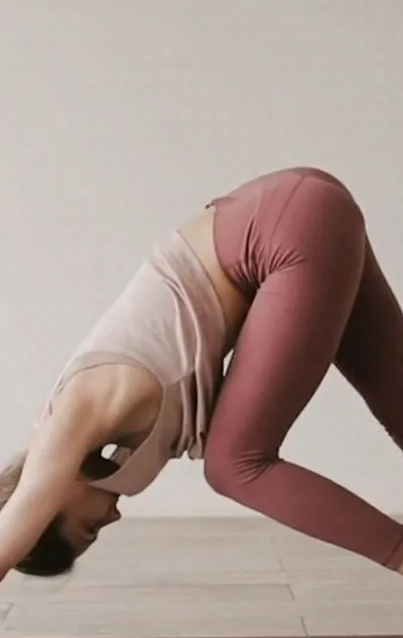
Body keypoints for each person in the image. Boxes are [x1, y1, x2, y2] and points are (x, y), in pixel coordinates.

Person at [1, 165, 403, 582]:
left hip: (280, 231)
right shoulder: (105, 433)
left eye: (91, 527)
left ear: (47, 510)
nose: (114, 518)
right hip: (296, 211)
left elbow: (11, 529)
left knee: (233, 466)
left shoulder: (68, 419)